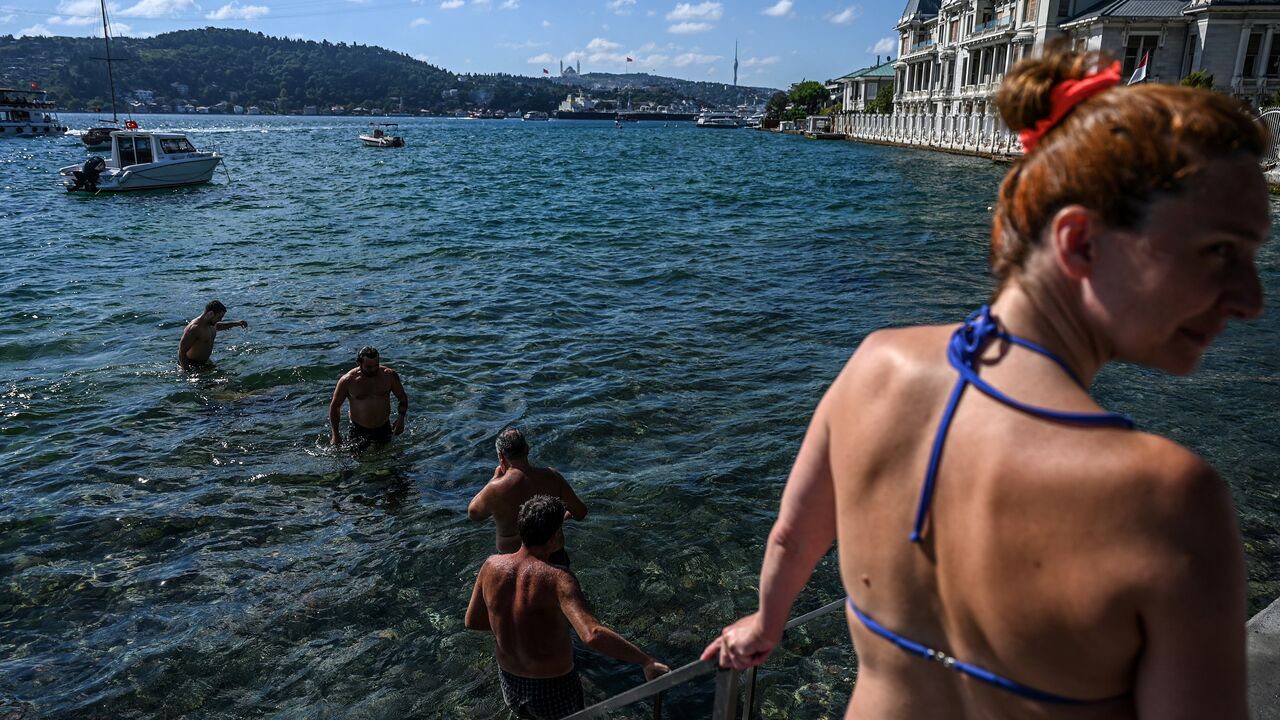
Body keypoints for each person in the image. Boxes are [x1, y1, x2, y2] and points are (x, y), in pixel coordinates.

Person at [702, 45, 1267, 719]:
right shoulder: (1171, 502)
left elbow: (794, 538)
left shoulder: (873, 368)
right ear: (1079, 242)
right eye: (1220, 251)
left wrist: (766, 625)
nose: (1250, 297)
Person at [466, 495, 669, 719]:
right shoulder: (558, 579)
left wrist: (517, 627)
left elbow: (473, 621)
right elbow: (591, 635)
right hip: (552, 686)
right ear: (555, 537)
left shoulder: (490, 566)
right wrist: (645, 661)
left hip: (510, 680)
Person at [468, 428, 587, 567]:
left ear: (501, 456)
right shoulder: (552, 477)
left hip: (512, 561)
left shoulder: (495, 489)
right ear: (527, 449)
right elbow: (580, 513)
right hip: (553, 557)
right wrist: (558, 519)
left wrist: (494, 479)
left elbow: (474, 514)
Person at [328, 346, 408, 451]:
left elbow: (402, 398)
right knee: (354, 464)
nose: (374, 369)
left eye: (376, 365)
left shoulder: (389, 376)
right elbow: (335, 406)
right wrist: (335, 434)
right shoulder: (348, 380)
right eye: (369, 367)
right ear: (359, 363)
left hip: (384, 427)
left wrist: (401, 419)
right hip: (358, 429)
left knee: (392, 461)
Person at [178, 300, 248, 370]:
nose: (221, 319)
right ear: (210, 314)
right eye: (219, 317)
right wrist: (187, 373)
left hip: (204, 364)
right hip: (192, 366)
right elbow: (181, 352)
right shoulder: (194, 328)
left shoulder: (211, 324)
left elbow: (219, 326)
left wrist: (237, 323)